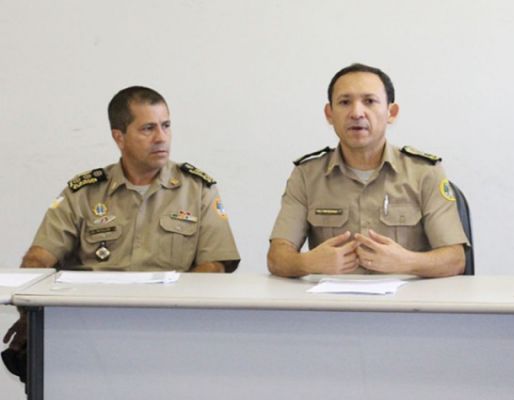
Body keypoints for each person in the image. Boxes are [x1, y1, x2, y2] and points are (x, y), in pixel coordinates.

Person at [2, 86, 240, 382]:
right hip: (87, 332)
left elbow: (215, 265)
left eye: (166, 126)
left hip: (170, 332)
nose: (161, 137)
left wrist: (173, 311)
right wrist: (31, 313)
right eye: (148, 128)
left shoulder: (197, 189)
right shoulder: (84, 193)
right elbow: (38, 258)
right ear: (119, 137)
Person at [268, 63, 468, 278]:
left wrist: (407, 262)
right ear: (329, 114)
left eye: (369, 101)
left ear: (391, 112)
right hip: (331, 299)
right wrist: (307, 263)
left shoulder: (424, 172)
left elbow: (455, 259)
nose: (356, 113)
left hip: (407, 299)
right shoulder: (307, 175)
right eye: (345, 102)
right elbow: (277, 257)